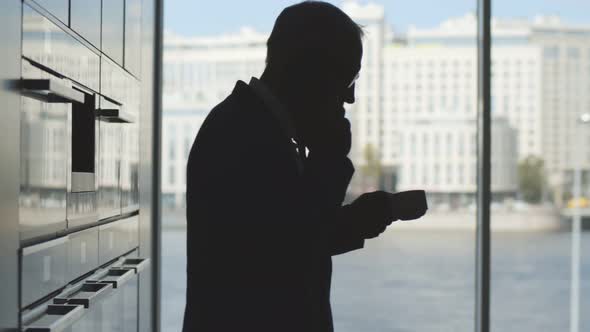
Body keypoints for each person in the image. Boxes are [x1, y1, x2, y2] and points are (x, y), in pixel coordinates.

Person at [183, 2, 400, 331]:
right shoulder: (249, 137)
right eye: (347, 77)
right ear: (309, 69)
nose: (351, 96)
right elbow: (292, 254)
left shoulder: (245, 127)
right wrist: (329, 158)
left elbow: (277, 237)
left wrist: (354, 221)